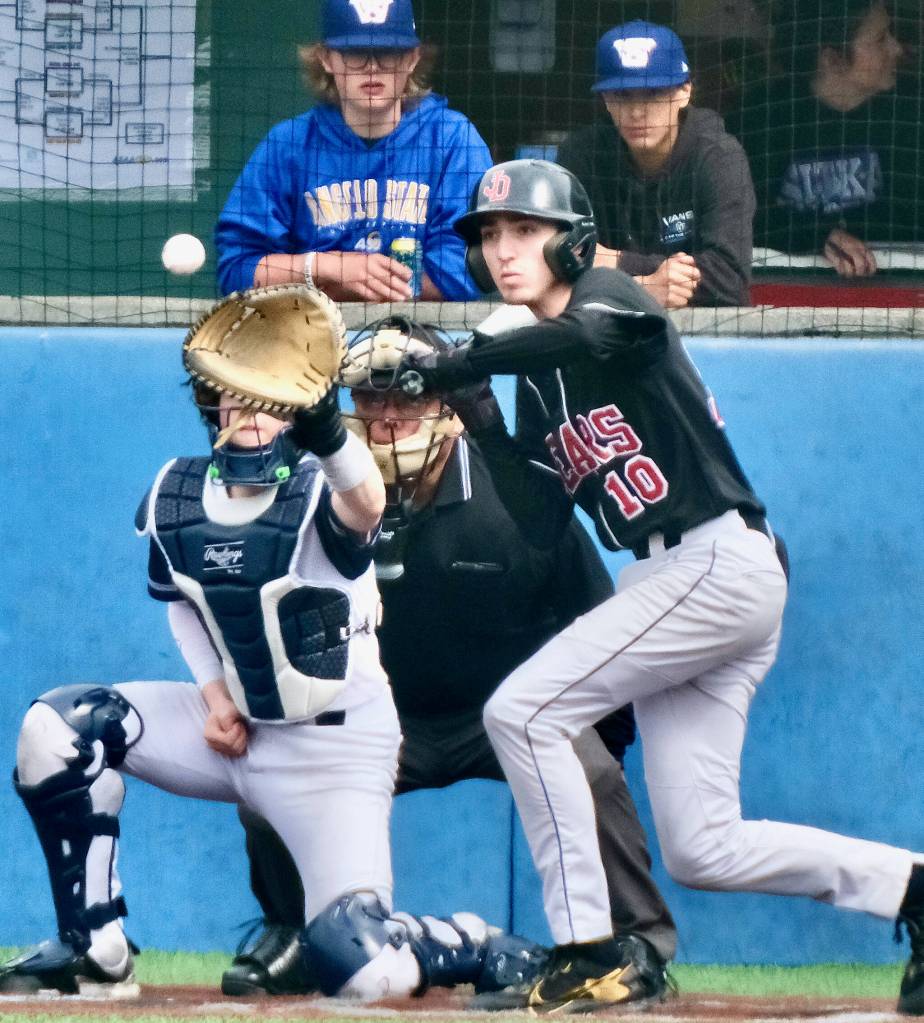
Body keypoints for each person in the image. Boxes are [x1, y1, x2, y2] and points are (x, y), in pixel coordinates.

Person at [393, 159, 924, 1015]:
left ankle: (590, 953)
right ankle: (913, 889)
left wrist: (459, 357)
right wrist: (479, 409)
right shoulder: (533, 373)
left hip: (714, 562)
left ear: (570, 239)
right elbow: (537, 515)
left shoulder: (616, 297)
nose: (502, 249)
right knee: (704, 845)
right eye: (490, 235)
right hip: (673, 575)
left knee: (521, 712)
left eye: (523, 230)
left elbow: (585, 339)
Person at [0, 287, 545, 1001]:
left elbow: (366, 504)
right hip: (240, 733)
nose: (248, 410)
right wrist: (215, 696)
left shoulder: (325, 488)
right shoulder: (178, 494)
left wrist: (325, 427)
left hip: (335, 749)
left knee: (359, 964)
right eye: (234, 396)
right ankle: (94, 948)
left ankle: (469, 939)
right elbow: (182, 607)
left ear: (296, 409)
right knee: (59, 729)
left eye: (267, 397)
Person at [222, 315, 677, 1007]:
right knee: (275, 771)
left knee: (590, 769)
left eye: (409, 394)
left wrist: (601, 742)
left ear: (451, 404)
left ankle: (635, 946)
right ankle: (296, 936)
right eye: (371, 399)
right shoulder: (316, 496)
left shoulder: (515, 497)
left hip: (505, 715)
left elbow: (598, 625)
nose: (387, 416)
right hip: (376, 715)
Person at [215, 0, 492, 302]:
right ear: (326, 58)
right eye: (355, 53)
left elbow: (468, 269)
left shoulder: (452, 138)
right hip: (309, 337)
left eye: (387, 53)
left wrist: (346, 286)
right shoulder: (287, 144)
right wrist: (329, 266)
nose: (372, 67)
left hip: (428, 335)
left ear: (412, 58)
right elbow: (237, 270)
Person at [556, 20, 754, 308]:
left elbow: (730, 279)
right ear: (606, 100)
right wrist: (647, 286)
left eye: (653, 94)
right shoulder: (581, 155)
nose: (637, 112)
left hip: (708, 330)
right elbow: (557, 258)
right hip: (603, 324)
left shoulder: (719, 156)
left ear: (684, 91)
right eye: (622, 96)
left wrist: (617, 261)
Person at [731, 0, 920, 277]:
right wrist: (815, 235)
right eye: (880, 39)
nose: (896, 48)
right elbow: (735, 214)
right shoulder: (761, 118)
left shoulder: (911, 112)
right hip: (784, 284)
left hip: (899, 283)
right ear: (832, 58)